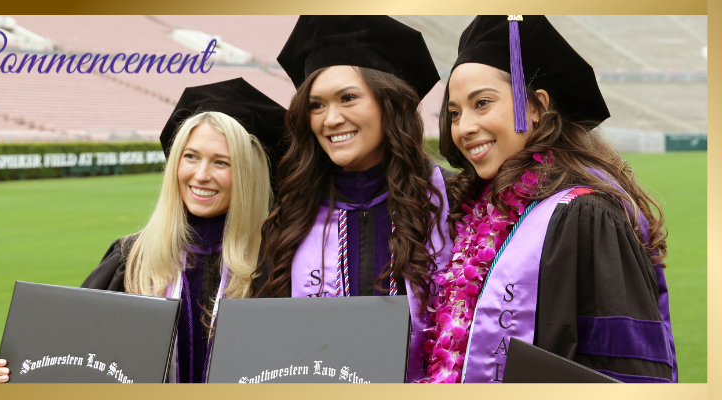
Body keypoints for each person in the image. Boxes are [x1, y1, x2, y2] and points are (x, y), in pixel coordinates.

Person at [0, 78, 286, 383]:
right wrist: (11, 371)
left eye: (222, 162)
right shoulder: (131, 258)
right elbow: (69, 355)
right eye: (190, 157)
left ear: (250, 174)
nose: (201, 175)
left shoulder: (276, 262)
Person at [422, 15, 677, 383]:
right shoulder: (477, 212)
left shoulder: (589, 215)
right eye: (454, 113)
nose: (463, 127)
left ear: (537, 107)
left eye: (482, 103)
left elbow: (626, 371)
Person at [259, 16, 453, 383]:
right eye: (316, 106)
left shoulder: (450, 201)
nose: (330, 119)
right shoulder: (290, 214)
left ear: (389, 103)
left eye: (348, 98)